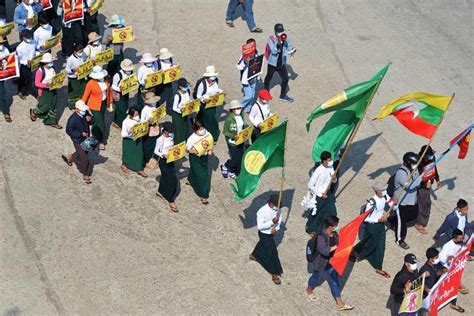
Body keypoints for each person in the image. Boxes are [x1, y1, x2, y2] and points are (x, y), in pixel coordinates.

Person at [305, 216, 353, 311]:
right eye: (335, 225)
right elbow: (324, 251)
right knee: (315, 277)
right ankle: (309, 290)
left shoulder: (335, 234)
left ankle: (339, 303)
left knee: (334, 281)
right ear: (330, 226)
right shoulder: (321, 237)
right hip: (321, 262)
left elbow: (339, 243)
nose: (337, 226)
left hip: (332, 262)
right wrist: (337, 246)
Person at [352, 183, 395, 279]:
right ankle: (354, 251)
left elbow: (391, 203)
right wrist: (378, 220)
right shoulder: (372, 203)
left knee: (381, 244)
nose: (384, 191)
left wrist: (394, 202)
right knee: (367, 242)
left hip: (380, 225)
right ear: (377, 191)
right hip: (372, 226)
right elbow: (366, 218)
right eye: (382, 190)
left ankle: (378, 266)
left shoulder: (385, 196)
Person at [249, 195, 283, 284]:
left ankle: (254, 255)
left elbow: (279, 221)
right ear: (271, 203)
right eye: (276, 206)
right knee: (272, 252)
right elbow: (260, 227)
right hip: (264, 233)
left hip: (271, 232)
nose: (278, 208)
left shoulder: (278, 209)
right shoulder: (261, 211)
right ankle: (274, 272)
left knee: (262, 244)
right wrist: (272, 222)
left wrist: (276, 228)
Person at [392, 152, 422, 249]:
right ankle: (399, 239)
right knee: (402, 223)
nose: (416, 166)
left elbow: (416, 179)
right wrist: (422, 177)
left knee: (413, 215)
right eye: (414, 164)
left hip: (411, 200)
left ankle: (393, 220)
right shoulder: (401, 173)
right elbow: (410, 186)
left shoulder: (414, 169)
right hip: (401, 202)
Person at [305, 151, 337, 235]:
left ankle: (327, 228)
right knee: (317, 213)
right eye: (329, 160)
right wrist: (320, 194)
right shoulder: (318, 171)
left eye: (331, 159)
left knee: (332, 211)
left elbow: (333, 180)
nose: (330, 161)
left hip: (328, 193)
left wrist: (334, 178)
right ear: (324, 161)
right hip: (319, 194)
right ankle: (311, 228)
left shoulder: (330, 167)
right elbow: (310, 185)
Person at [62, 100, 94, 184]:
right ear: (77, 109)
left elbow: (92, 121)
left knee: (85, 153)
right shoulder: (72, 119)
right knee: (85, 158)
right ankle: (85, 174)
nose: (84, 111)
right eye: (82, 110)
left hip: (86, 139)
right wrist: (80, 134)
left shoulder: (86, 113)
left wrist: (90, 119)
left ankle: (71, 157)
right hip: (78, 141)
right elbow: (69, 131)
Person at [263, 23, 296, 102]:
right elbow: (273, 51)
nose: (281, 34)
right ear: (275, 32)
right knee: (268, 77)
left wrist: (292, 50)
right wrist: (278, 44)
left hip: (281, 63)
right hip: (272, 63)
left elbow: (289, 47)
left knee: (285, 79)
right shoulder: (271, 39)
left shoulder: (285, 38)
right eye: (279, 32)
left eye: (281, 32)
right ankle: (266, 92)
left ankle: (282, 95)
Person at [82, 66, 112, 150]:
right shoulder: (90, 83)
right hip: (94, 105)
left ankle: (94, 135)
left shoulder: (106, 80)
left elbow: (108, 92)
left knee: (97, 121)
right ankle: (101, 141)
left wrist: (110, 103)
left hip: (103, 103)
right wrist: (82, 106)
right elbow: (85, 96)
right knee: (101, 123)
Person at [29, 53, 62, 129]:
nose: (51, 63)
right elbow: (37, 83)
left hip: (53, 89)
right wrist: (46, 85)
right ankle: (34, 112)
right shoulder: (40, 71)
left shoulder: (53, 68)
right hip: (44, 91)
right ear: (45, 63)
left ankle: (52, 121)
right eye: (49, 62)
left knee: (53, 105)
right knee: (44, 106)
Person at [438, 229, 469, 309]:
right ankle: (453, 303)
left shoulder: (460, 244)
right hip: (446, 267)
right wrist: (448, 258)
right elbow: (441, 258)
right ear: (455, 237)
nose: (462, 239)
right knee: (453, 283)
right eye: (460, 237)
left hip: (454, 265)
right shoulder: (447, 246)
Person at [186, 119, 213, 205]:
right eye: (200, 129)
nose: (202, 130)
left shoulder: (207, 134)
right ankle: (203, 195)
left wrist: (210, 149)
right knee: (203, 176)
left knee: (197, 172)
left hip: (204, 158)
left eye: (203, 128)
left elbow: (210, 142)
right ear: (195, 129)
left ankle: (191, 179)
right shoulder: (191, 138)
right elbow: (187, 150)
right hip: (195, 158)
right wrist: (198, 151)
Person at [416, 145, 442, 234]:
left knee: (426, 203)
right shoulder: (419, 162)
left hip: (428, 185)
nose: (431, 157)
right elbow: (416, 176)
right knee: (423, 204)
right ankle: (420, 223)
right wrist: (424, 183)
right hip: (421, 186)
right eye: (429, 155)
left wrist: (437, 180)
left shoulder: (431, 158)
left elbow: (434, 169)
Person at [221, 100, 249, 179]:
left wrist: (248, 128)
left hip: (241, 140)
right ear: (232, 110)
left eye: (239, 108)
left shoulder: (241, 115)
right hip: (232, 142)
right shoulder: (229, 120)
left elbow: (244, 124)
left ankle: (236, 171)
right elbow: (225, 131)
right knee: (236, 159)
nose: (238, 110)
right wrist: (233, 136)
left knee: (240, 157)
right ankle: (226, 166)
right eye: (236, 108)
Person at [154, 122, 179, 212]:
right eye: (169, 131)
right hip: (163, 161)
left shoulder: (171, 137)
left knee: (167, 178)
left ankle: (160, 191)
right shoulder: (160, 140)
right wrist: (162, 155)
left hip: (171, 160)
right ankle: (170, 199)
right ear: (164, 131)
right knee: (170, 179)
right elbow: (156, 151)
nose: (171, 133)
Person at [195, 65, 223, 142]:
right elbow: (198, 96)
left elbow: (216, 89)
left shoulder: (216, 80)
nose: (213, 78)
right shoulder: (202, 84)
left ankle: (197, 125)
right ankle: (213, 136)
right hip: (205, 104)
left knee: (206, 117)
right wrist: (204, 100)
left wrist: (220, 91)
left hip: (213, 103)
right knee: (210, 120)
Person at [120, 107, 147, 177]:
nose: (137, 115)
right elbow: (123, 134)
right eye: (135, 114)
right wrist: (129, 132)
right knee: (128, 153)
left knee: (139, 154)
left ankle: (139, 169)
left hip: (138, 138)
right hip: (129, 140)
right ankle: (125, 164)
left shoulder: (137, 118)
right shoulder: (125, 121)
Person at [236, 38, 259, 113]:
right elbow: (238, 66)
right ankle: (238, 107)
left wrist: (258, 76)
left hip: (254, 77)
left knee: (252, 95)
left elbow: (258, 64)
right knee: (249, 96)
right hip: (246, 79)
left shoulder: (256, 53)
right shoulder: (244, 55)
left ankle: (247, 108)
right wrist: (245, 61)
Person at [111, 58, 134, 129]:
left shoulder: (131, 72)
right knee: (123, 109)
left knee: (122, 107)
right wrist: (119, 89)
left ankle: (116, 121)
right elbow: (113, 86)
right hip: (118, 94)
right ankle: (122, 124)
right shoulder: (117, 75)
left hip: (126, 93)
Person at [140, 92, 161, 164]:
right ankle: (146, 158)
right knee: (148, 144)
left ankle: (149, 157)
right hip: (148, 128)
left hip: (154, 127)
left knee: (153, 143)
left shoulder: (153, 107)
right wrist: (149, 121)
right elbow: (142, 121)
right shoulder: (145, 109)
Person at [15, 29, 36, 99]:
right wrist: (26, 62)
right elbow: (19, 60)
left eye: (30, 37)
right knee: (23, 79)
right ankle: (20, 91)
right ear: (23, 37)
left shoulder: (33, 42)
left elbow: (34, 51)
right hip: (24, 66)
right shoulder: (19, 48)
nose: (30, 39)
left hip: (32, 63)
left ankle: (27, 90)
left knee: (30, 78)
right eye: (28, 37)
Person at [65, 44, 87, 110]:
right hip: (73, 78)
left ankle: (80, 103)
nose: (81, 53)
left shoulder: (83, 55)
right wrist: (73, 70)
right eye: (80, 52)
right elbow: (67, 69)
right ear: (75, 51)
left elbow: (84, 61)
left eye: (82, 51)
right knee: (73, 92)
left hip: (81, 76)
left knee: (81, 89)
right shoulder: (70, 59)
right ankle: (72, 105)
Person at [171, 78, 191, 144]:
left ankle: (185, 140)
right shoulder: (177, 95)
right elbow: (174, 108)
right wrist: (180, 110)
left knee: (185, 127)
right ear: (180, 87)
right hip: (177, 115)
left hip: (185, 113)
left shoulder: (187, 92)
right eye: (184, 86)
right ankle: (179, 143)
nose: (186, 87)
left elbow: (189, 100)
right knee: (179, 129)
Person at [156, 47, 175, 112]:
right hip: (161, 82)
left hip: (169, 80)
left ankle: (169, 109)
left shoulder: (170, 59)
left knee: (170, 95)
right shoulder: (157, 62)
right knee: (161, 96)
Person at [0, 36, 11, 122]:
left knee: (2, 94)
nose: (1, 45)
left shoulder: (5, 50)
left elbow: (9, 61)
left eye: (2, 43)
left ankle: (5, 111)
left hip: (2, 76)